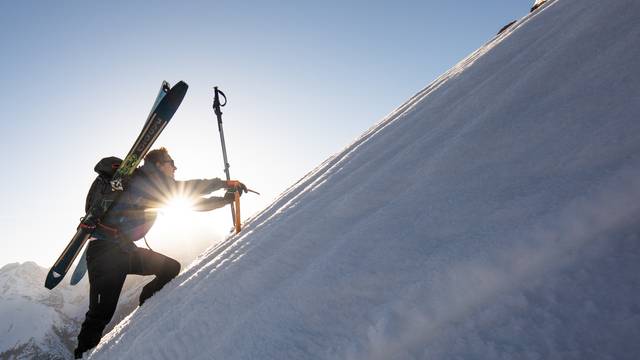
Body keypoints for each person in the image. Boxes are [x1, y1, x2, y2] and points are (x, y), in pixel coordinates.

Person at [74, 147, 246, 358]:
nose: (175, 167)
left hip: (124, 251)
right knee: (100, 315)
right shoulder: (146, 183)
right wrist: (225, 193)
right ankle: (81, 355)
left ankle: (147, 310)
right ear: (158, 165)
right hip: (105, 255)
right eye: (171, 163)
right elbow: (192, 195)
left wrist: (223, 188)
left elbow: (189, 191)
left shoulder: (151, 184)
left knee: (170, 268)